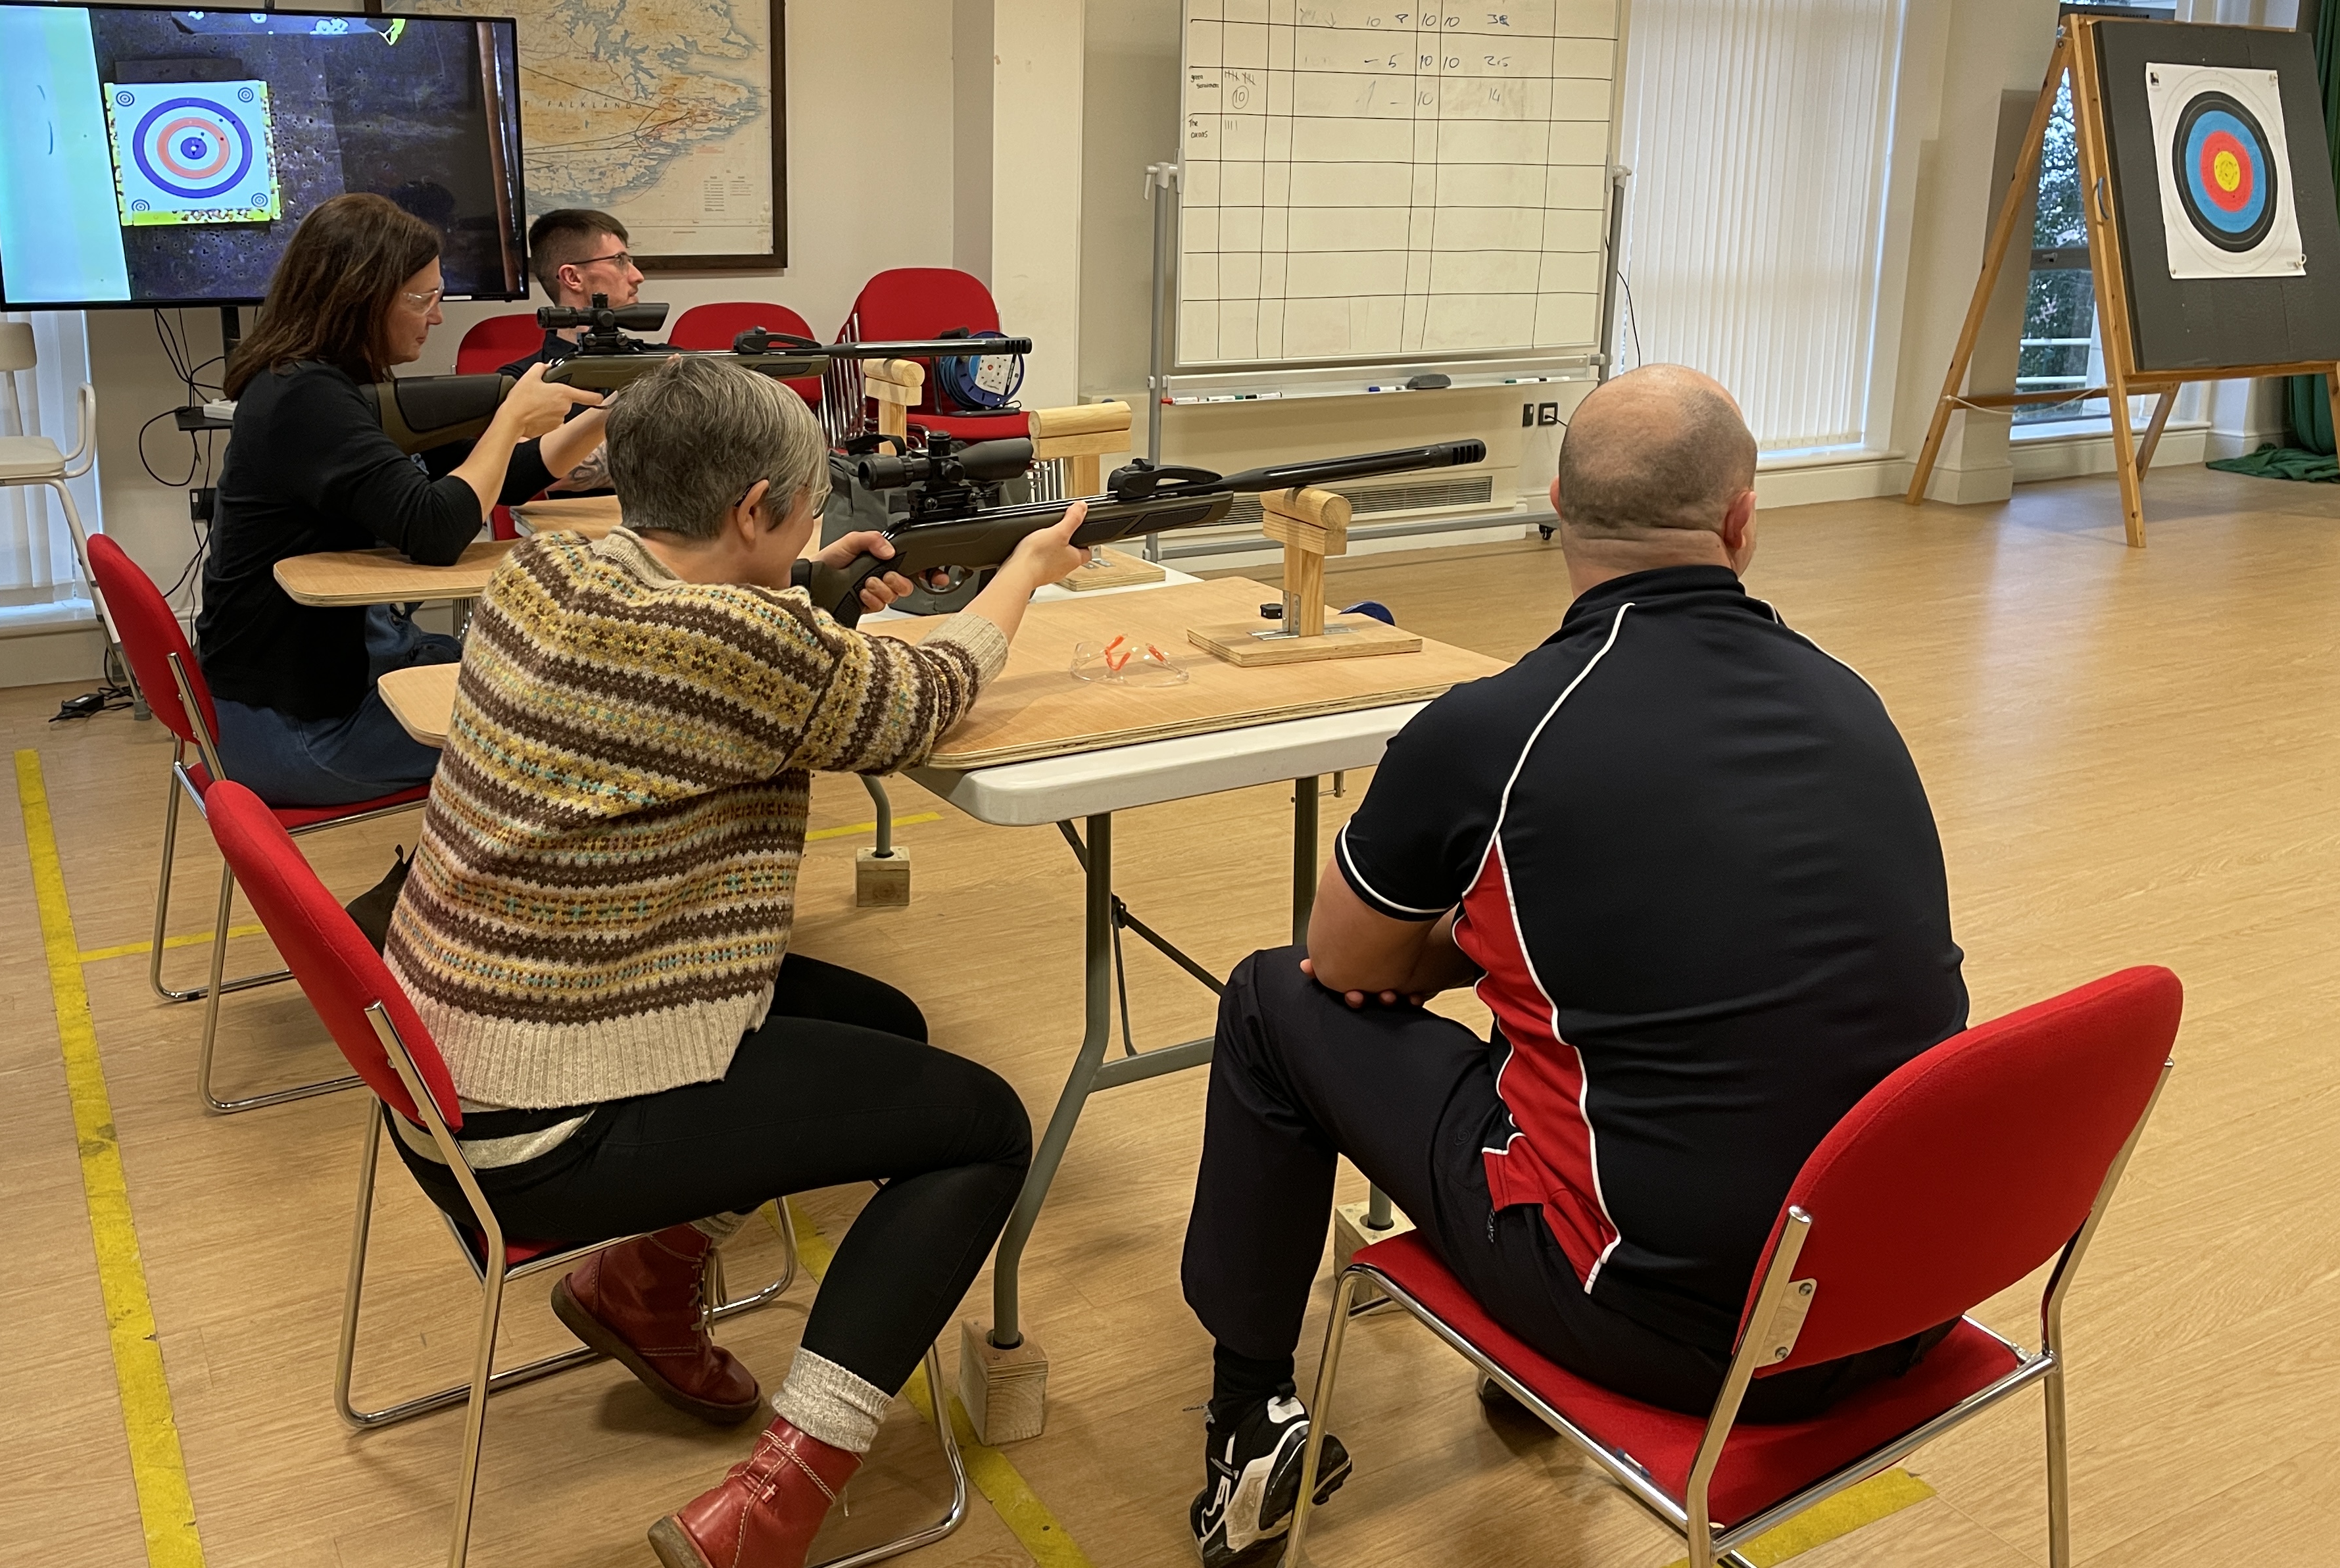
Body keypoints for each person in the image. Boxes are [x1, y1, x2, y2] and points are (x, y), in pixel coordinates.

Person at [1173, 365, 1970, 1568]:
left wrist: (1457, 945)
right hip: (1900, 1292)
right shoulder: (1850, 698)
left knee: (1267, 998)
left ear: (1556, 509)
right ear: (1742, 522)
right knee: (1589, 1005)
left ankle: (1245, 1416)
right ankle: (1510, 1375)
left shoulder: (1493, 725)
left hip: (1671, 1327)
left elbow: (1339, 955)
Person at [381, 356, 1090, 1568]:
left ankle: (644, 1287)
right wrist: (1020, 569)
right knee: (979, 1127)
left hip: (462, 1055)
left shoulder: (545, 568)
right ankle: (783, 1494)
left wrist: (804, 585)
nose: (818, 527)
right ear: (754, 508)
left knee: (889, 1024)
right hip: (544, 1120)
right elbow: (920, 695)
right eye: (808, 510)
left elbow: (699, 633)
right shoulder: (730, 641)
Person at [196, 192, 600, 847]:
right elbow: (436, 529)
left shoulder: (319, 382)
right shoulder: (307, 398)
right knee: (580, 735)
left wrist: (601, 415)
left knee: (555, 684)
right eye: (422, 299)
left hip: (308, 689)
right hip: (302, 732)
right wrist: (510, 419)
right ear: (360, 296)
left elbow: (486, 479)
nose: (437, 317)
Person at [496, 207, 651, 497]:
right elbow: (513, 473)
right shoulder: (523, 382)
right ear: (572, 278)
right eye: (620, 261)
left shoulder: (662, 361)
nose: (637, 276)